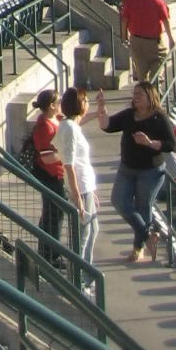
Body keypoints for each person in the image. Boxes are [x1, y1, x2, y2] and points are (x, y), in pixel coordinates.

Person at [94, 82, 176, 262]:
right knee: (118, 201)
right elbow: (107, 125)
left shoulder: (159, 118)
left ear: (150, 97)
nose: (136, 97)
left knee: (143, 206)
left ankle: (138, 249)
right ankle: (148, 235)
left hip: (151, 170)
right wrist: (101, 108)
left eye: (140, 94)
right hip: (127, 168)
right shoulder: (129, 115)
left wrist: (149, 143)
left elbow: (171, 144)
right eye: (135, 93)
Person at [59, 88, 100, 270]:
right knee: (83, 236)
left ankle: (86, 275)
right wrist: (78, 198)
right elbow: (69, 164)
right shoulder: (68, 128)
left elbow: (79, 122)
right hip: (80, 189)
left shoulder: (71, 125)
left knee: (92, 230)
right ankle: (79, 279)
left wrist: (98, 112)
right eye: (86, 100)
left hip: (86, 187)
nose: (88, 103)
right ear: (79, 104)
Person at [30, 90, 67, 265]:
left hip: (58, 174)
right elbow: (47, 157)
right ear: (51, 105)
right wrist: (66, 153)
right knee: (53, 214)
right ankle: (50, 254)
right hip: (49, 175)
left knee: (55, 213)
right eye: (58, 101)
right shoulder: (44, 127)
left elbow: (75, 122)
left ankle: (49, 251)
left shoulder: (56, 120)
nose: (61, 104)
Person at [119, 0, 174, 85]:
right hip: (154, 43)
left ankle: (147, 96)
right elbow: (166, 21)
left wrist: (124, 37)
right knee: (158, 67)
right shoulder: (158, 2)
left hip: (136, 41)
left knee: (142, 76)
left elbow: (124, 20)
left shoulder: (130, 2)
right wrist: (171, 39)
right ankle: (155, 90)